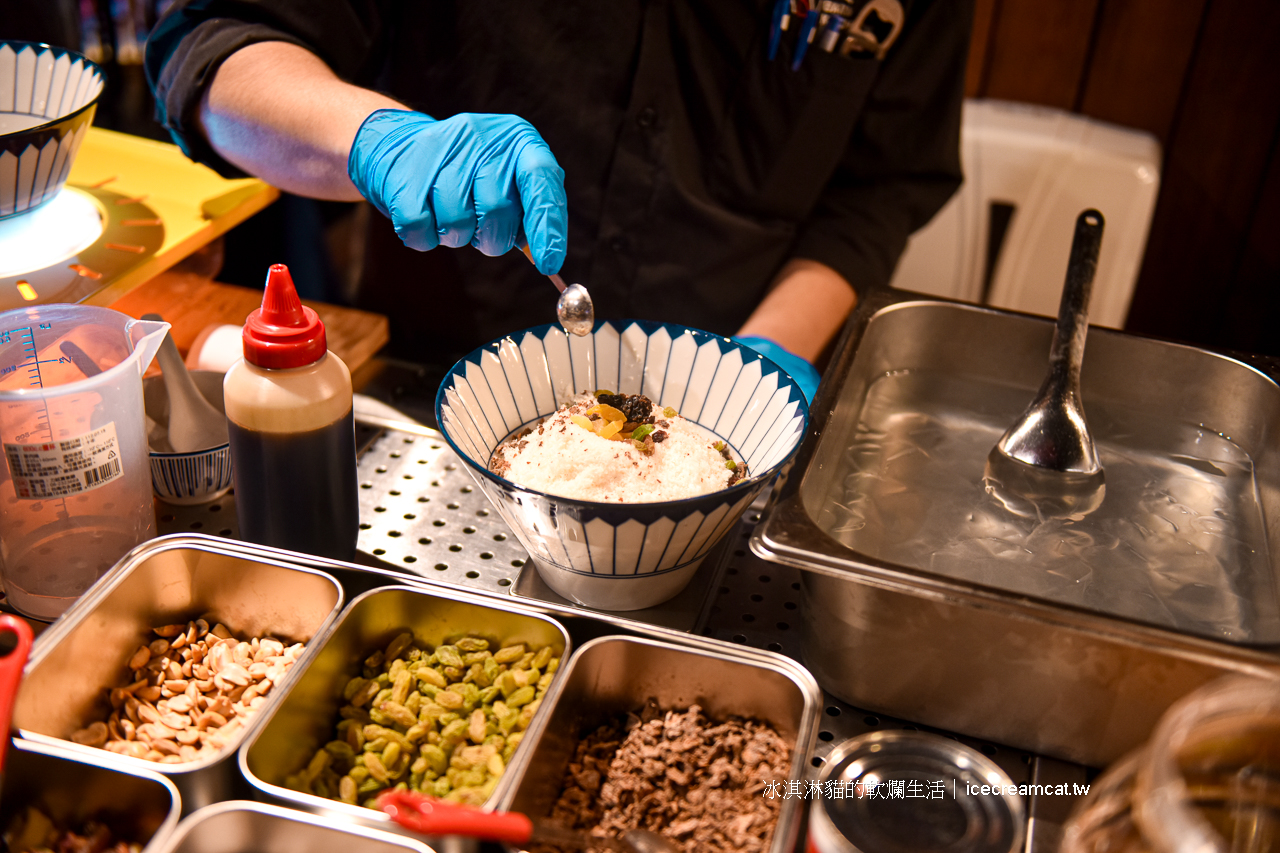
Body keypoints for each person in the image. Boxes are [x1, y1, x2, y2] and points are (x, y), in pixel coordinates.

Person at [144, 1, 972, 402]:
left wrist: (753, 367)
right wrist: (379, 139)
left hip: (718, 397)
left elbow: (882, 181)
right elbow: (214, 55)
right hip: (430, 378)